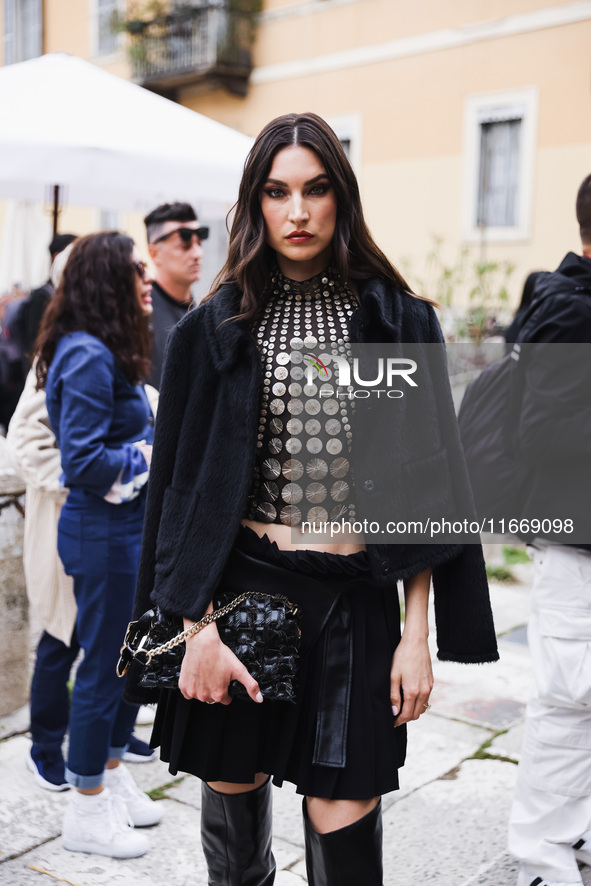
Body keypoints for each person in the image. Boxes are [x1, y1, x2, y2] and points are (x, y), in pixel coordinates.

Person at [129, 113, 499, 885]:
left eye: (314, 189)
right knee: (234, 850)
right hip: (237, 603)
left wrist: (415, 633)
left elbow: (427, 493)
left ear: (341, 197)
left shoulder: (401, 323)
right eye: (276, 192)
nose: (296, 212)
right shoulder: (213, 327)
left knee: (347, 842)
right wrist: (193, 627)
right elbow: (178, 492)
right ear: (254, 203)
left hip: (355, 606)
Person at [7, 243, 158, 791]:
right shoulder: (76, 353)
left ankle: (101, 763)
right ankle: (48, 748)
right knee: (62, 638)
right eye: (138, 268)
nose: (150, 276)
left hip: (111, 513)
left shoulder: (111, 343)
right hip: (76, 514)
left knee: (104, 646)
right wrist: (108, 479)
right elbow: (33, 441)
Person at [507, 174, 591, 886]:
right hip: (575, 550)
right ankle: (540, 856)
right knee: (567, 702)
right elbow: (542, 433)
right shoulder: (569, 310)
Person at [143, 201, 208, 388]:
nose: (197, 254)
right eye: (185, 245)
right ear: (154, 253)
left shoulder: (203, 312)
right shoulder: (141, 312)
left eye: (199, 243)